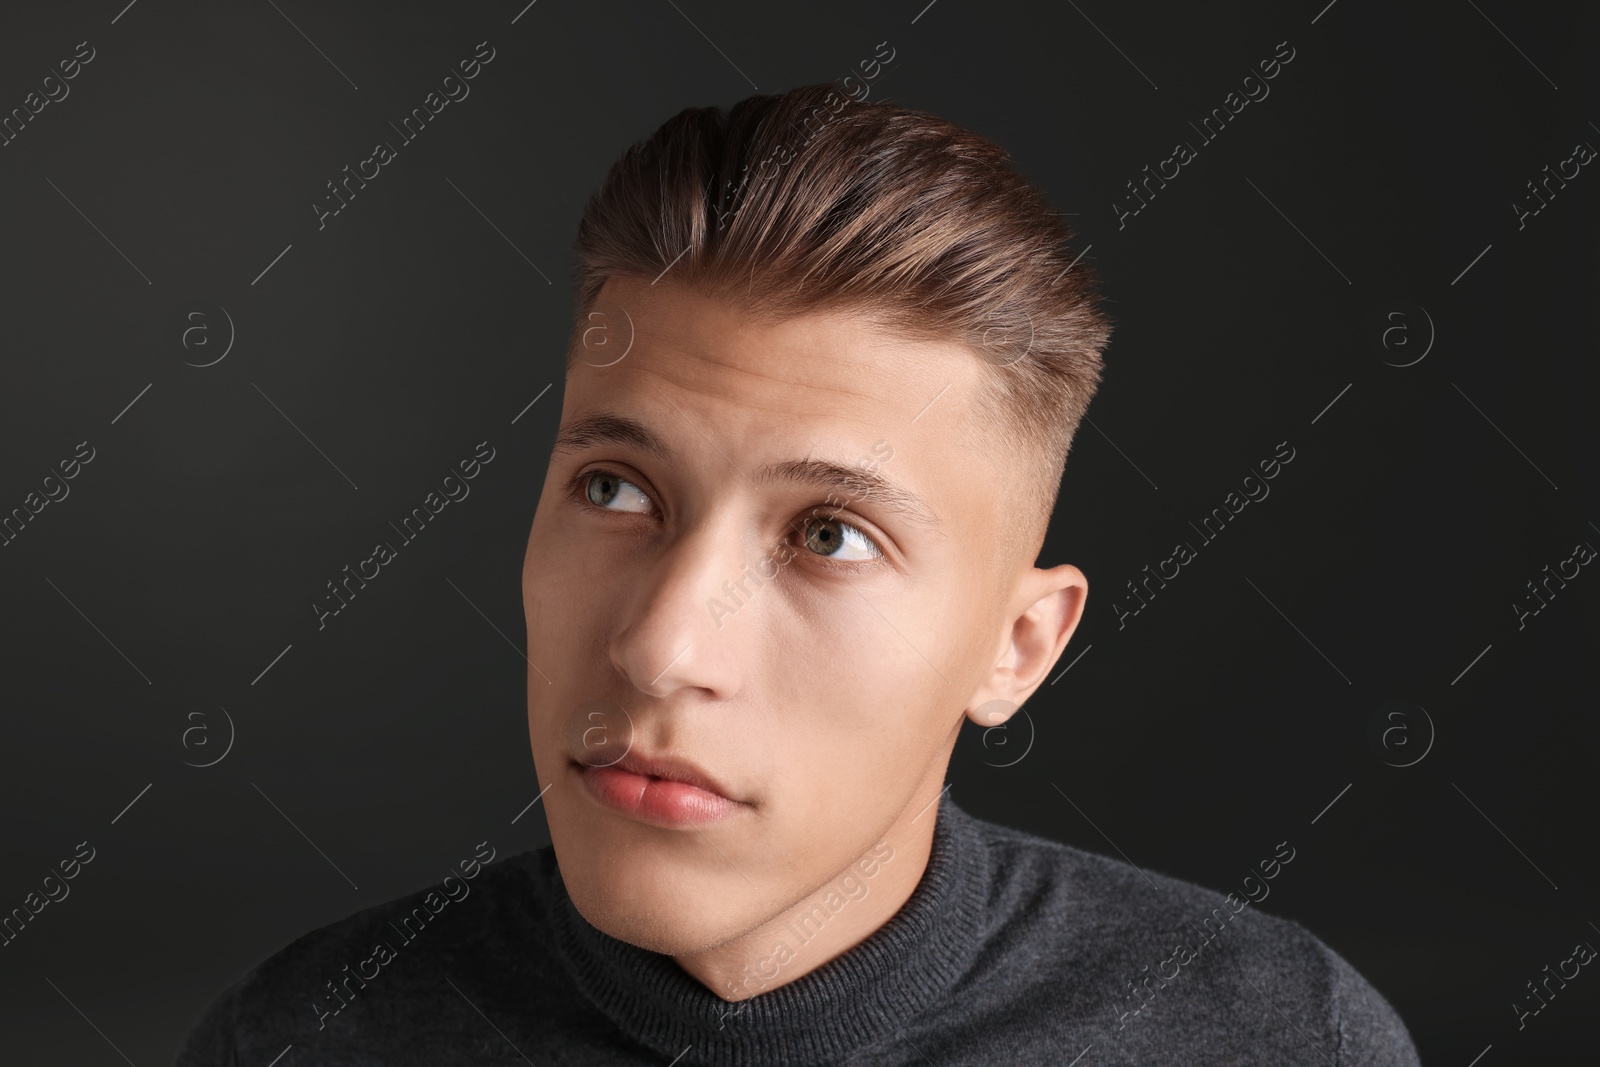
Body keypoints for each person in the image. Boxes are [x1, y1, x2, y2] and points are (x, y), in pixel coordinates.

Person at [178, 81, 1421, 1065]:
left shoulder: (1276, 1034)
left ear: (1017, 647)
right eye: (617, 489)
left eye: (828, 534)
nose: (663, 646)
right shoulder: (303, 1034)